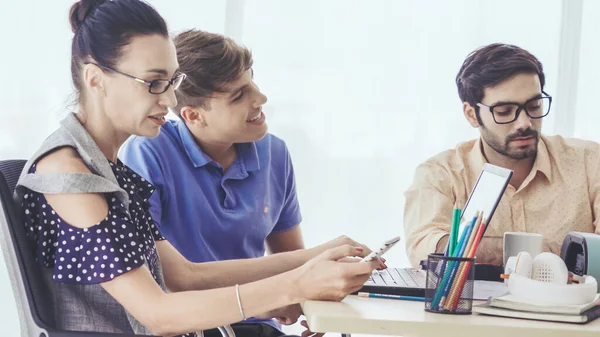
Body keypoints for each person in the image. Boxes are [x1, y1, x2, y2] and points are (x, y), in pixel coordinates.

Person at [13, 1, 380, 336]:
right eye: (154, 83)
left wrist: (308, 266)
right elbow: (159, 315)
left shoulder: (107, 168)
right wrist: (296, 284)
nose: (170, 100)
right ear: (95, 79)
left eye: (173, 82)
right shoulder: (71, 178)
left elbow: (186, 276)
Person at [119, 28, 368, 337]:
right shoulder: (147, 152)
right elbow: (163, 281)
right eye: (239, 95)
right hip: (188, 327)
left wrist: (309, 299)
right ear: (193, 116)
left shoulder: (274, 153)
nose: (260, 99)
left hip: (256, 326)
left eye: (252, 82)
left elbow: (287, 259)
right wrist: (308, 265)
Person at [403, 43, 600, 267]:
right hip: (478, 304)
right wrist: (540, 252)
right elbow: (426, 248)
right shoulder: (440, 173)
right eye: (505, 111)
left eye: (534, 106)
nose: (525, 123)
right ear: (472, 115)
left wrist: (474, 249)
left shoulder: (590, 161)